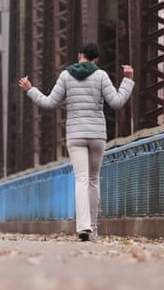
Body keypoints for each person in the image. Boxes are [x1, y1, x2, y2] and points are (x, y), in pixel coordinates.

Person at [18, 42, 134, 241]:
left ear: (80, 55)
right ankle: (94, 227)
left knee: (80, 179)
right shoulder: (101, 75)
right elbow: (116, 102)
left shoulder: (66, 75)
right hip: (97, 134)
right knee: (94, 180)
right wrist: (128, 80)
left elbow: (49, 103)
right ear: (96, 59)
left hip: (75, 134)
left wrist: (30, 89)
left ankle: (83, 227)